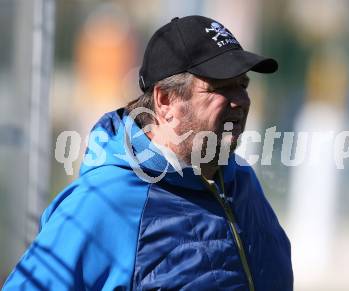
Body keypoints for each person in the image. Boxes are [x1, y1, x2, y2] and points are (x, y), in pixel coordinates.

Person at [3, 15, 293, 290]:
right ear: (165, 100)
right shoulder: (103, 203)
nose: (241, 100)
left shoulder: (242, 182)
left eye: (243, 85)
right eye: (222, 87)